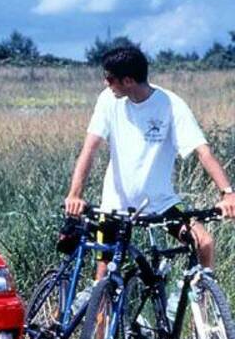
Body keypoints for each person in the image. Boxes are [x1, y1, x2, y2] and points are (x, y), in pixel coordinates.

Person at [64, 46, 235, 281]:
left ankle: (203, 311)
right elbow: (89, 149)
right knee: (104, 276)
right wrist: (75, 194)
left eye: (110, 78)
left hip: (161, 203)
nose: (106, 83)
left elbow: (203, 151)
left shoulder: (171, 104)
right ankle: (101, 315)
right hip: (116, 205)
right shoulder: (108, 100)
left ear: (128, 80)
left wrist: (227, 193)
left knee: (203, 242)